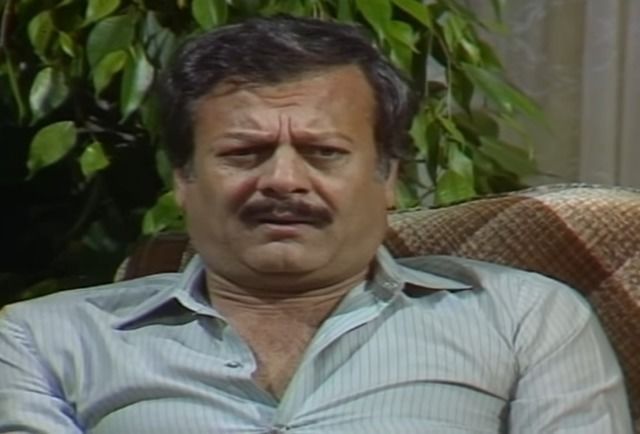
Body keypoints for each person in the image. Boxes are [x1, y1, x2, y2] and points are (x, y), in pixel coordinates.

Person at [0, 15, 632, 434]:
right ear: (184, 179)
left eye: (324, 152)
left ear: (387, 176)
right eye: (243, 153)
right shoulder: (42, 340)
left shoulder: (525, 320)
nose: (282, 180)